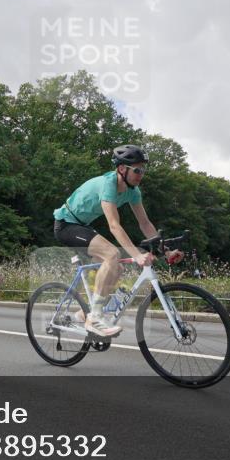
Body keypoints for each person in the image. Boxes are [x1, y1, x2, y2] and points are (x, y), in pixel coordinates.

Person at [52, 144, 182, 338]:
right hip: (65, 225)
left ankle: (83, 313)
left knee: (117, 267)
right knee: (112, 254)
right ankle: (94, 318)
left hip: (83, 225)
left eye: (143, 170)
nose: (141, 174)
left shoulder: (133, 191)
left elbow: (145, 224)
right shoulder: (108, 185)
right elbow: (114, 225)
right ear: (122, 169)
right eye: (137, 169)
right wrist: (137, 255)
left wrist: (166, 250)